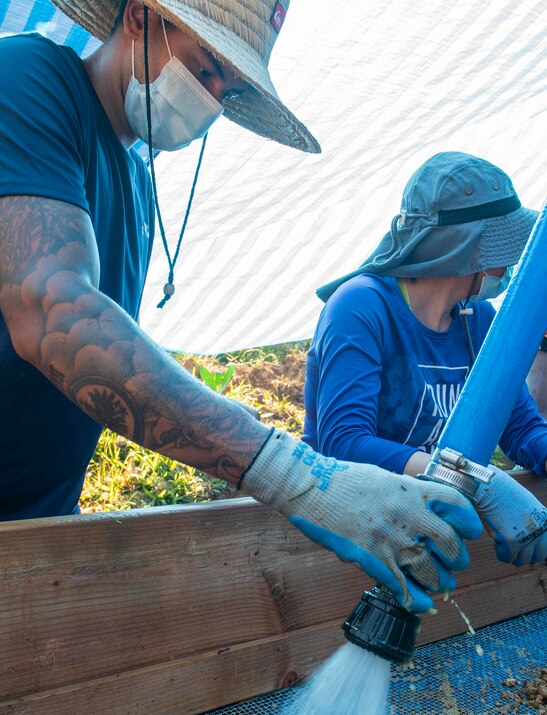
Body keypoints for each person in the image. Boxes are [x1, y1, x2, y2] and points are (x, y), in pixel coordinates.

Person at [0, 1, 483, 614]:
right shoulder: (27, 80)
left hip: (31, 530)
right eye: (206, 70)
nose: (211, 102)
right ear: (142, 18)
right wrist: (295, 475)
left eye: (226, 91)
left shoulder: (137, 190)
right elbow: (54, 316)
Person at [303, 151, 547, 568]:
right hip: (350, 537)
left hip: (430, 536)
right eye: (502, 248)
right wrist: (475, 483)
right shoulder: (361, 307)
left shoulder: (479, 320)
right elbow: (344, 443)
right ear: (464, 249)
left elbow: (521, 427)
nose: (509, 265)